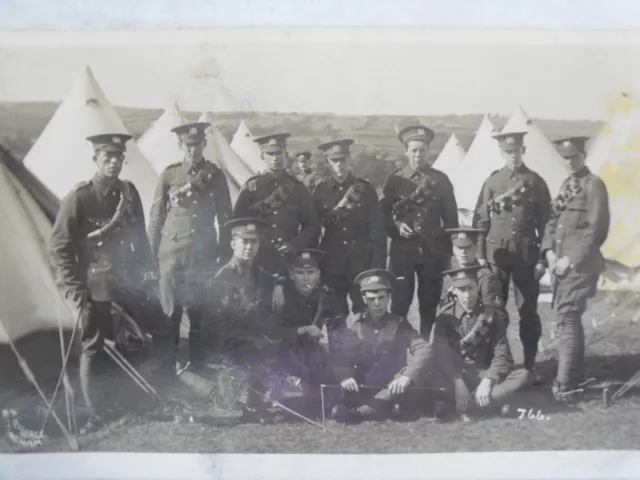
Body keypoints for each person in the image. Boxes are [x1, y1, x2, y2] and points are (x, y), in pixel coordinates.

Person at [50, 133, 175, 433]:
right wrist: (75, 288)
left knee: (163, 329)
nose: (114, 163)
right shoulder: (79, 197)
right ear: (96, 160)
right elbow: (59, 246)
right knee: (93, 344)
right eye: (107, 157)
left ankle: (150, 399)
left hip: (128, 278)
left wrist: (148, 277)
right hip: (93, 284)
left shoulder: (129, 193)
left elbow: (141, 242)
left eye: (119, 157)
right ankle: (97, 414)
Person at [147, 121, 233, 371]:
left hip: (202, 256)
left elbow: (225, 216)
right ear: (180, 145)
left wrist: (224, 251)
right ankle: (167, 370)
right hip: (171, 255)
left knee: (199, 315)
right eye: (188, 145)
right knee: (169, 314)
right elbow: (156, 217)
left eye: (197, 145)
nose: (192, 150)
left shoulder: (215, 176)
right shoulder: (170, 174)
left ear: (204, 144)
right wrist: (150, 255)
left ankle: (198, 368)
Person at [473, 131, 551, 379]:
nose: (513, 156)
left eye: (516, 151)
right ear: (501, 154)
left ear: (523, 151)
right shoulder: (493, 182)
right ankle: (498, 363)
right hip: (497, 256)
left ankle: (530, 364)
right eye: (508, 152)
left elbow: (548, 223)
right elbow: (481, 218)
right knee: (495, 311)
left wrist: (542, 259)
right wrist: (480, 254)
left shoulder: (536, 182)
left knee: (528, 311)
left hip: (526, 258)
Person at [541, 136, 610, 401]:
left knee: (567, 317)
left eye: (573, 157)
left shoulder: (594, 186)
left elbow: (596, 230)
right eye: (565, 158)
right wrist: (548, 251)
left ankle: (564, 384)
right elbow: (552, 221)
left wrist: (569, 260)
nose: (569, 162)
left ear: (583, 155)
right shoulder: (567, 185)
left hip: (579, 266)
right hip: (559, 264)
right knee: (571, 319)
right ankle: (576, 375)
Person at [380, 125, 459, 336]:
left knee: (429, 306)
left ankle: (426, 352)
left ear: (428, 151)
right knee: (399, 305)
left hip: (433, 253)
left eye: (422, 150)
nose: (418, 155)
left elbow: (451, 219)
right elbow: (382, 216)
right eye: (413, 150)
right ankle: (397, 354)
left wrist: (448, 256)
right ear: (406, 152)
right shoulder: (395, 180)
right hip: (402, 254)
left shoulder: (441, 180)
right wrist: (396, 226)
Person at [329, 269, 438, 422]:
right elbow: (340, 356)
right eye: (372, 298)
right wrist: (345, 376)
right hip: (364, 385)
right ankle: (382, 409)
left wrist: (407, 376)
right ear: (364, 299)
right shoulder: (355, 324)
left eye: (381, 297)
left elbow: (424, 349)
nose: (377, 303)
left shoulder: (400, 324)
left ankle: (359, 413)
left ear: (389, 298)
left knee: (407, 385)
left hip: (393, 386)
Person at [205, 217, 282, 422]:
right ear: (233, 244)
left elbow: (267, 317)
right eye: (244, 242)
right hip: (231, 347)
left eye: (253, 242)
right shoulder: (222, 278)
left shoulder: (265, 277)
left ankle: (258, 401)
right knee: (230, 405)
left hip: (258, 344)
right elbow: (214, 324)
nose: (249, 247)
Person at [233, 133, 320, 310]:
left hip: (285, 260)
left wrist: (294, 245)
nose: (275, 158)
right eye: (270, 154)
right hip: (256, 259)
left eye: (279, 153)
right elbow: (236, 224)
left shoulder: (297, 188)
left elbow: (312, 224)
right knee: (252, 309)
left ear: (286, 155)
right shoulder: (251, 187)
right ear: (262, 156)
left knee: (286, 311)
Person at [432, 265, 531, 420]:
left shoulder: (491, 315)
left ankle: (465, 405)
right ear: (455, 291)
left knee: (523, 375)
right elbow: (441, 355)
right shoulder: (444, 317)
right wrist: (457, 381)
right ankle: (491, 403)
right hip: (455, 375)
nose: (467, 295)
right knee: (432, 382)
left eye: (470, 288)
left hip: (482, 373)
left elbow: (501, 354)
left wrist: (487, 381)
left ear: (477, 286)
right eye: (462, 290)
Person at [261, 249, 347, 410]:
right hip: (284, 353)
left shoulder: (326, 297)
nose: (306, 277)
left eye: (310, 272)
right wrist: (301, 330)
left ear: (318, 274)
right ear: (292, 274)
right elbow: (269, 331)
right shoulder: (281, 297)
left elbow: (339, 331)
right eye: (300, 273)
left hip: (312, 352)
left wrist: (339, 361)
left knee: (330, 397)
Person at [312, 139, 387, 315]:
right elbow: (313, 230)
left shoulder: (365, 189)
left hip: (361, 263)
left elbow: (377, 231)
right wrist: (316, 265)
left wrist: (377, 267)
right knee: (334, 315)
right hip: (332, 263)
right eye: (334, 160)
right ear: (328, 162)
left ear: (349, 159)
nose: (339, 164)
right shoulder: (320, 191)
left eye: (342, 159)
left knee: (366, 314)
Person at [442, 226, 507, 325]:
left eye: (468, 247)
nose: (463, 252)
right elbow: (444, 308)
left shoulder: (486, 278)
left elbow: (494, 316)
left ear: (476, 248)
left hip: (479, 330)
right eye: (460, 248)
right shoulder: (450, 275)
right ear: (454, 249)